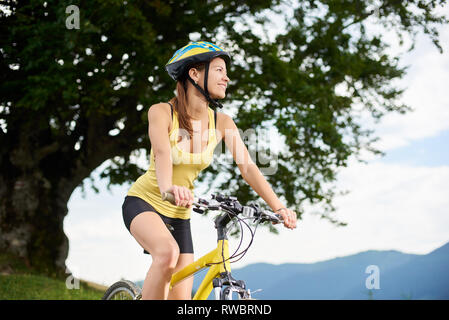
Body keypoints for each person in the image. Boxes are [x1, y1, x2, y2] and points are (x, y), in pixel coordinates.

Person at [122, 41, 297, 300]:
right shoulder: (161, 112)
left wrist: (279, 207)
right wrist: (168, 189)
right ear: (194, 74)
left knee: (182, 300)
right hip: (146, 202)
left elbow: (248, 167)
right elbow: (162, 154)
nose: (226, 77)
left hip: (180, 214)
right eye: (218, 70)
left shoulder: (222, 122)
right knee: (167, 254)